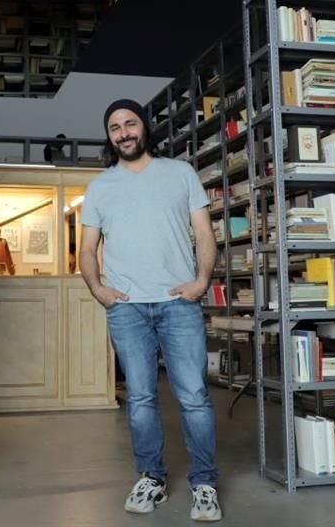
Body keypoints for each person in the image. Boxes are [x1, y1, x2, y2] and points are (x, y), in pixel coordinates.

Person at [78, 98, 221, 522]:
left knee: (194, 397)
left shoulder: (180, 174)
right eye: (115, 127)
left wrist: (201, 282)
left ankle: (206, 483)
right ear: (109, 136)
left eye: (130, 123)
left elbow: (204, 234)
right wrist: (98, 288)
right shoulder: (100, 186)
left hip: (179, 304)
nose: (123, 132)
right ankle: (152, 478)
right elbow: (87, 249)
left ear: (145, 128)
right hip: (127, 309)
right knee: (140, 399)